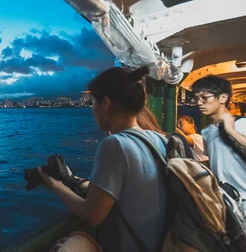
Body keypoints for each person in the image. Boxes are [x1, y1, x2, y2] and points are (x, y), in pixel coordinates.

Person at [38, 66, 167, 252]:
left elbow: (92, 215)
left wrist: (55, 186)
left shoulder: (115, 145)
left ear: (105, 103)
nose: (93, 111)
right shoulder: (159, 140)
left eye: (93, 103)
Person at [192, 75, 246, 252]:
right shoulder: (208, 132)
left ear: (223, 98)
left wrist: (232, 133)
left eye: (205, 97)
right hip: (228, 211)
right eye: (197, 98)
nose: (199, 103)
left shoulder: (245, 125)